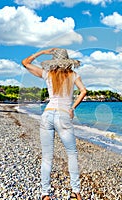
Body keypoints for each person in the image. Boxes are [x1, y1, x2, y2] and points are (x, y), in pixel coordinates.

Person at [22, 48, 86, 200]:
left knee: (47, 157)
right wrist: (72, 108)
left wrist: (42, 52)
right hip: (63, 115)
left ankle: (45, 194)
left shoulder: (48, 75)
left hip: (48, 114)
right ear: (67, 62)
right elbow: (83, 91)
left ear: (54, 63)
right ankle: (76, 192)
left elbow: (25, 63)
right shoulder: (74, 75)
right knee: (72, 154)